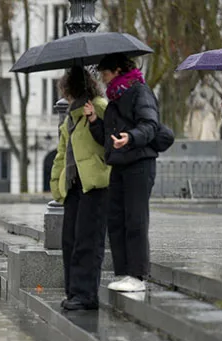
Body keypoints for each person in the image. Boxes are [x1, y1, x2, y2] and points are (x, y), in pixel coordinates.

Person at [90, 54, 161, 293]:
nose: (103, 79)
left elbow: (150, 125)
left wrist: (131, 137)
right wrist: (93, 121)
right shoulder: (114, 99)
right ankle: (123, 273)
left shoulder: (140, 91)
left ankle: (137, 275)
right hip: (119, 163)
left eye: (105, 74)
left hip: (140, 163)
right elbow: (109, 139)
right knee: (116, 219)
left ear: (118, 70)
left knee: (135, 219)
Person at [50, 67, 111, 311]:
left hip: (96, 184)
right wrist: (57, 184)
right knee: (71, 241)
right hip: (74, 186)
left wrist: (94, 120)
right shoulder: (70, 117)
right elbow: (62, 153)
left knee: (88, 241)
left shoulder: (99, 106)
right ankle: (73, 292)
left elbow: (111, 140)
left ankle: (86, 295)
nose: (64, 96)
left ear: (71, 88)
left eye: (65, 91)